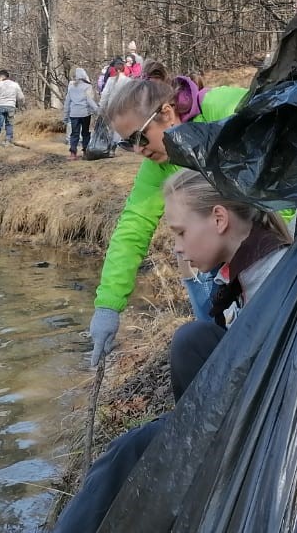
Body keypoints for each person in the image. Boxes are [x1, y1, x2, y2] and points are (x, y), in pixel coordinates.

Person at [0, 171, 291, 533]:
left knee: (127, 452)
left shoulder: (273, 278)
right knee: (189, 345)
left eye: (181, 233)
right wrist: (195, 280)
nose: (177, 247)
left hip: (271, 444)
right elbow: (225, 345)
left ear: (220, 219)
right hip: (246, 421)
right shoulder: (251, 266)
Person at [86, 75, 248, 371]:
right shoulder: (157, 164)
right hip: (218, 259)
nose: (138, 150)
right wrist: (108, 305)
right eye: (127, 144)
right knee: (215, 345)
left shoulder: (224, 108)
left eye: (139, 137)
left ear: (167, 112)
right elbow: (133, 227)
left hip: (275, 246)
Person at [62, 67, 100, 161]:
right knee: (85, 133)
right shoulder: (87, 86)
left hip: (74, 114)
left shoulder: (71, 87)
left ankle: (73, 153)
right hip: (85, 113)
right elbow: (90, 101)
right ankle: (85, 152)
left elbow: (67, 103)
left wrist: (65, 116)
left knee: (74, 133)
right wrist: (98, 111)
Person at [0, 70, 25, 150]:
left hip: (0, 106)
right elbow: (21, 97)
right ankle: (8, 141)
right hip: (11, 106)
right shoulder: (15, 85)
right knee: (9, 124)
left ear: (1, 77)